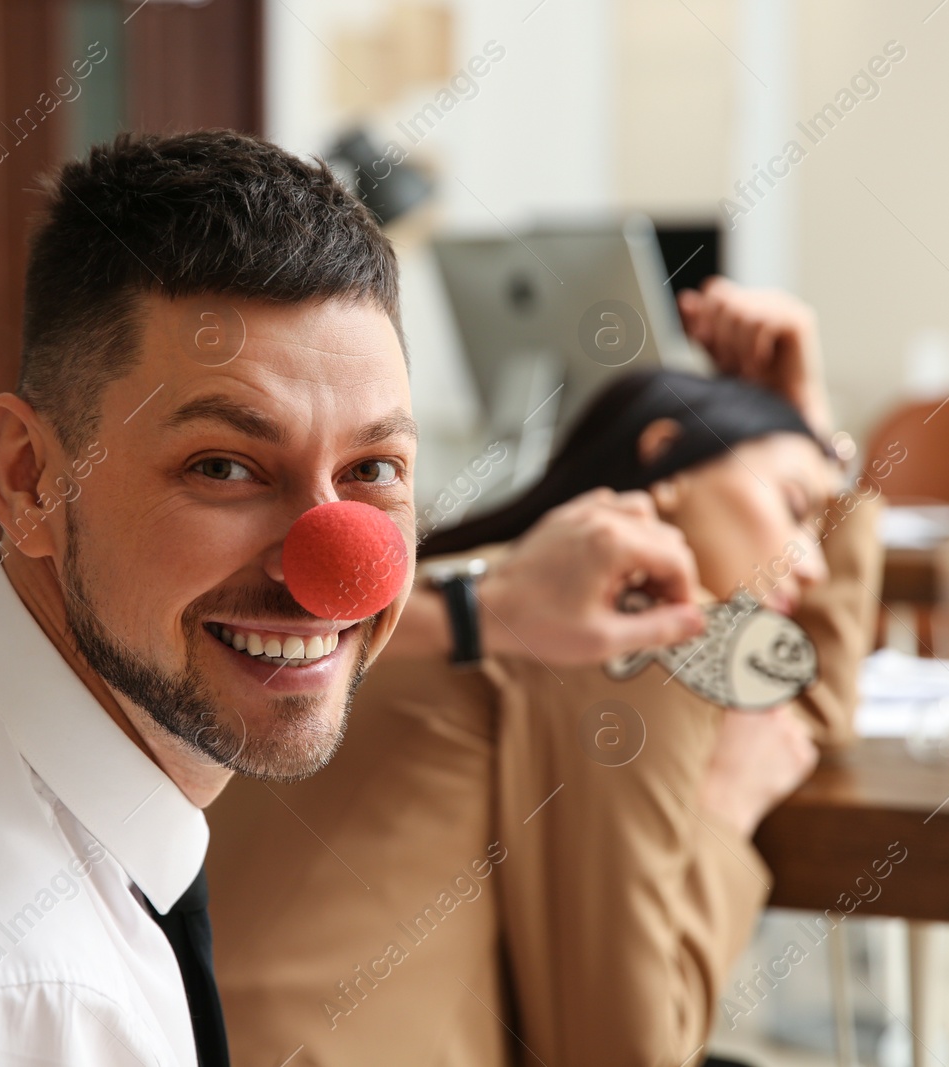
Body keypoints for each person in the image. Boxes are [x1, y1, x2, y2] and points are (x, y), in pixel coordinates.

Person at [0, 130, 711, 1067]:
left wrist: (489, 610)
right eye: (224, 468)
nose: (334, 565)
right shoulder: (19, 1009)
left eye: (372, 470)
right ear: (29, 476)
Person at [204, 279, 887, 1066]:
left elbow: (797, 709)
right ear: (667, 453)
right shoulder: (636, 624)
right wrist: (726, 806)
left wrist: (807, 424)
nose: (811, 558)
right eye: (796, 503)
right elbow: (625, 1052)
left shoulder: (474, 584)